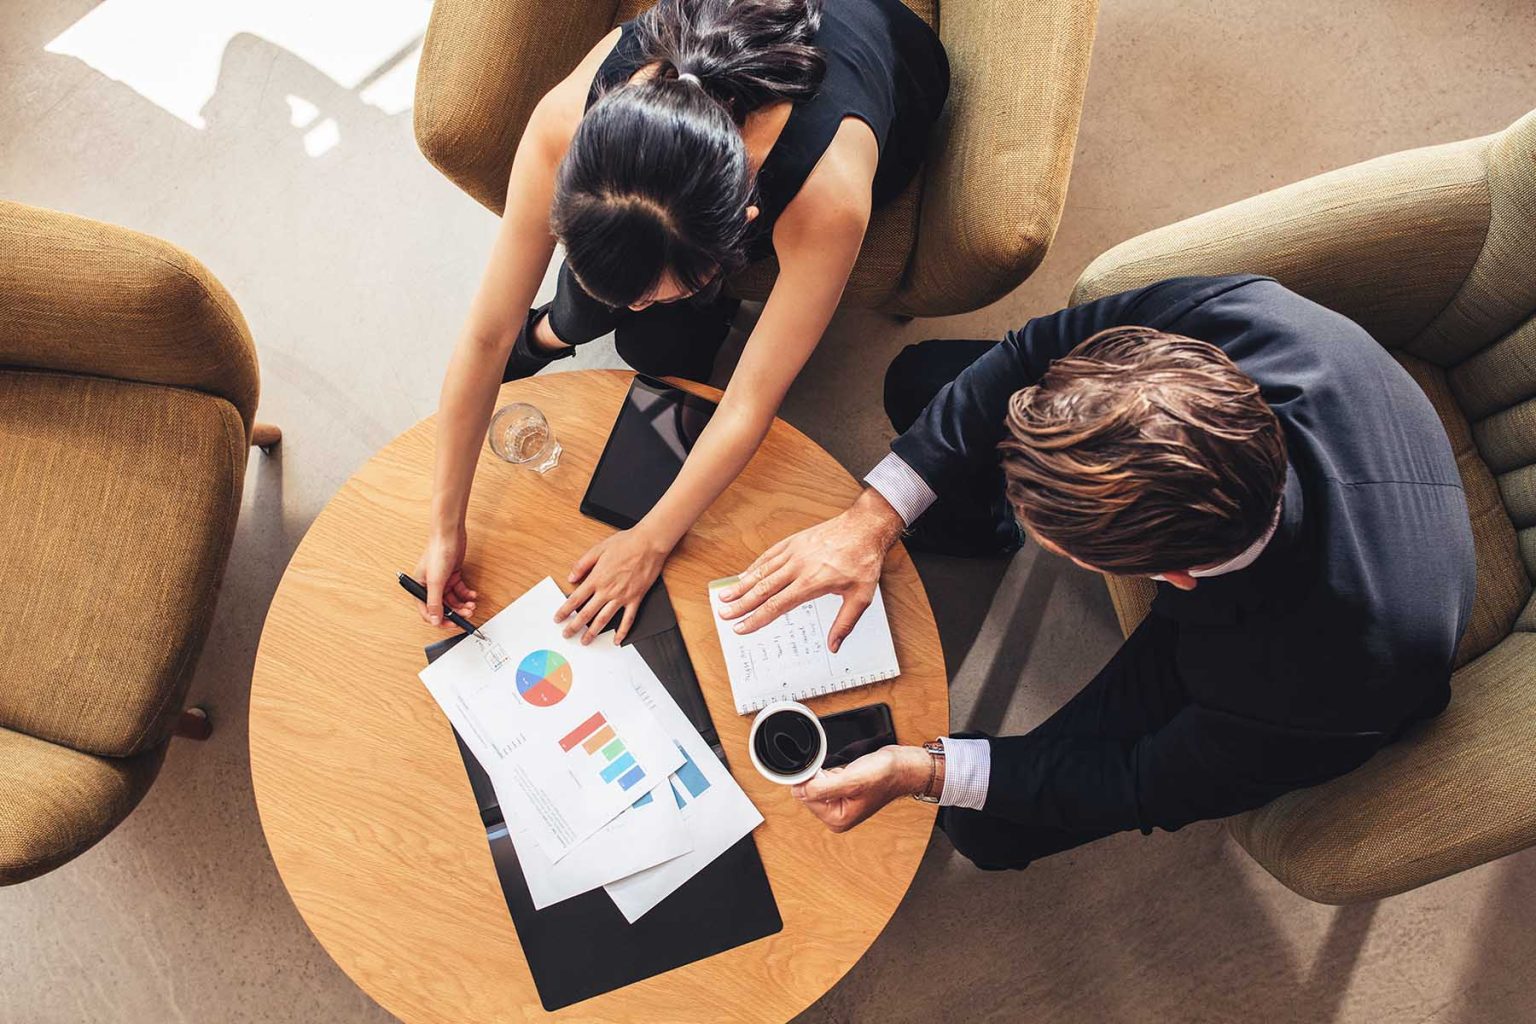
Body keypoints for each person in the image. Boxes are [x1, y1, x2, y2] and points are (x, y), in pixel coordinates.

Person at [715, 274, 1477, 870]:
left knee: (992, 831)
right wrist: (871, 520)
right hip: (1322, 476)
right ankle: (976, 526)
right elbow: (1023, 355)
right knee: (923, 379)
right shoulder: (1239, 322)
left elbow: (1138, 783)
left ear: (1169, 579)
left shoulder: (1311, 687)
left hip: (1305, 647)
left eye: (1052, 535)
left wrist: (926, 770)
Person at [411, 0, 949, 643]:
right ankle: (571, 321)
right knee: (649, 337)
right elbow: (486, 333)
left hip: (886, 63)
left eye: (656, 290)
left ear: (741, 235)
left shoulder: (826, 195)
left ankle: (592, 321)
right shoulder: (567, 122)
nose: (631, 306)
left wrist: (651, 541)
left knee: (656, 345)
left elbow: (750, 403)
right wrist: (445, 525)